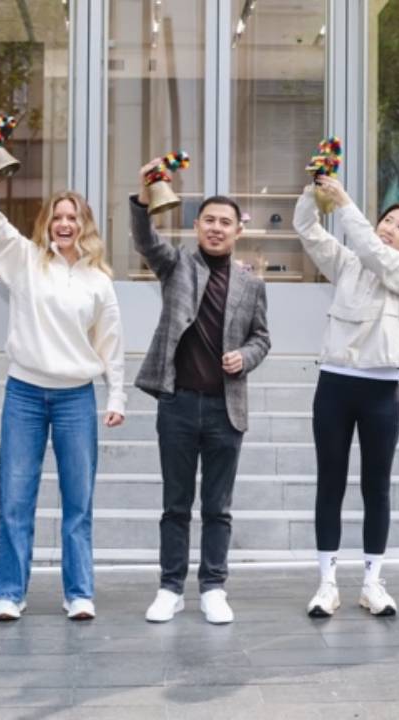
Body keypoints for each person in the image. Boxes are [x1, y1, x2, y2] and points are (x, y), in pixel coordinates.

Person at [0, 131, 126, 622]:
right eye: (57, 217)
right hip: (24, 394)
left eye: (72, 217)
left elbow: (110, 342)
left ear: (84, 225)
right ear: (47, 223)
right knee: (15, 500)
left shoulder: (99, 281)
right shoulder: (24, 261)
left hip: (76, 398)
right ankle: (9, 593)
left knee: (79, 503)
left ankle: (79, 592)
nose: (64, 224)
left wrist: (116, 396)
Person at [131, 160, 271, 625]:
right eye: (208, 220)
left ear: (237, 231)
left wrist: (245, 357)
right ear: (196, 226)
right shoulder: (176, 266)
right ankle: (170, 588)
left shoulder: (252, 283)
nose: (216, 228)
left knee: (218, 507)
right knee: (175, 505)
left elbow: (262, 338)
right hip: (178, 402)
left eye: (225, 222)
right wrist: (144, 193)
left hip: (225, 409)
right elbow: (145, 239)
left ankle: (213, 587)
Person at [293, 175, 399, 618]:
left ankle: (372, 582)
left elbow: (375, 253)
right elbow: (307, 230)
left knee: (377, 486)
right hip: (335, 383)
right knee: (330, 482)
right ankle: (326, 583)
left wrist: (346, 204)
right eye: (387, 220)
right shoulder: (349, 262)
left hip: (381, 389)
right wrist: (313, 190)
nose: (390, 228)